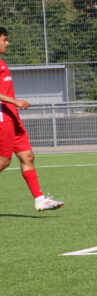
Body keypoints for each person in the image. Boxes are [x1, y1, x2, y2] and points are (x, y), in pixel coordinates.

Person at [0, 27, 64, 211]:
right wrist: (15, 101)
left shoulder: (1, 61)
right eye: (4, 39)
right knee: (4, 161)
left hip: (12, 116)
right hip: (3, 117)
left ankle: (40, 199)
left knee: (27, 156)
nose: (7, 43)